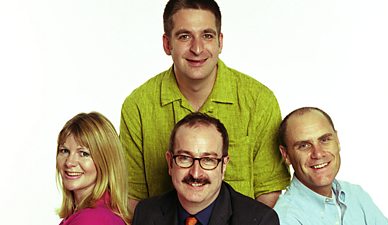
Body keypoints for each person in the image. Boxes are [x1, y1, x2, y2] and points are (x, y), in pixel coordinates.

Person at [120, 0, 290, 212]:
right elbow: (132, 196)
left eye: (207, 35)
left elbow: (269, 192)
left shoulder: (259, 101)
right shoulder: (138, 106)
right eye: (184, 36)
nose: (197, 48)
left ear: (220, 42)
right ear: (167, 44)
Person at [132, 112, 280, 225]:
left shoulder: (260, 220)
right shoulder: (146, 214)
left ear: (224, 166)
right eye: (185, 158)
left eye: (208, 160)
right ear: (170, 163)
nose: (196, 173)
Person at [274, 107, 388, 224]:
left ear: (337, 141)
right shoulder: (285, 219)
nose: (318, 154)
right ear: (286, 155)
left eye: (324, 140)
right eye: (304, 145)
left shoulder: (356, 195)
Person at [56, 112, 131, 225]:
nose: (69, 162)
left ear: (105, 160)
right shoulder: (92, 212)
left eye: (83, 153)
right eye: (64, 151)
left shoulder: (91, 219)